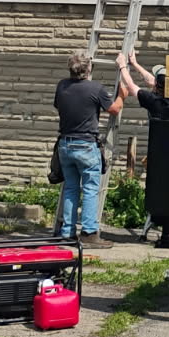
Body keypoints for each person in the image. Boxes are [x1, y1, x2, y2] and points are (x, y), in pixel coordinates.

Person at [53, 50, 126, 247]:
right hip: (85, 144)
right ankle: (89, 233)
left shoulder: (62, 86)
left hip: (65, 145)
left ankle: (67, 233)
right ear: (89, 68)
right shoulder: (96, 89)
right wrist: (122, 95)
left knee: (70, 188)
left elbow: (59, 106)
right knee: (91, 189)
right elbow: (114, 109)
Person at [123, 51, 169, 248]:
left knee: (162, 195)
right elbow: (152, 80)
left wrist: (122, 68)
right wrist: (135, 64)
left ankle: (168, 237)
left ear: (159, 88)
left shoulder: (156, 103)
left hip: (162, 155)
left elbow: (133, 88)